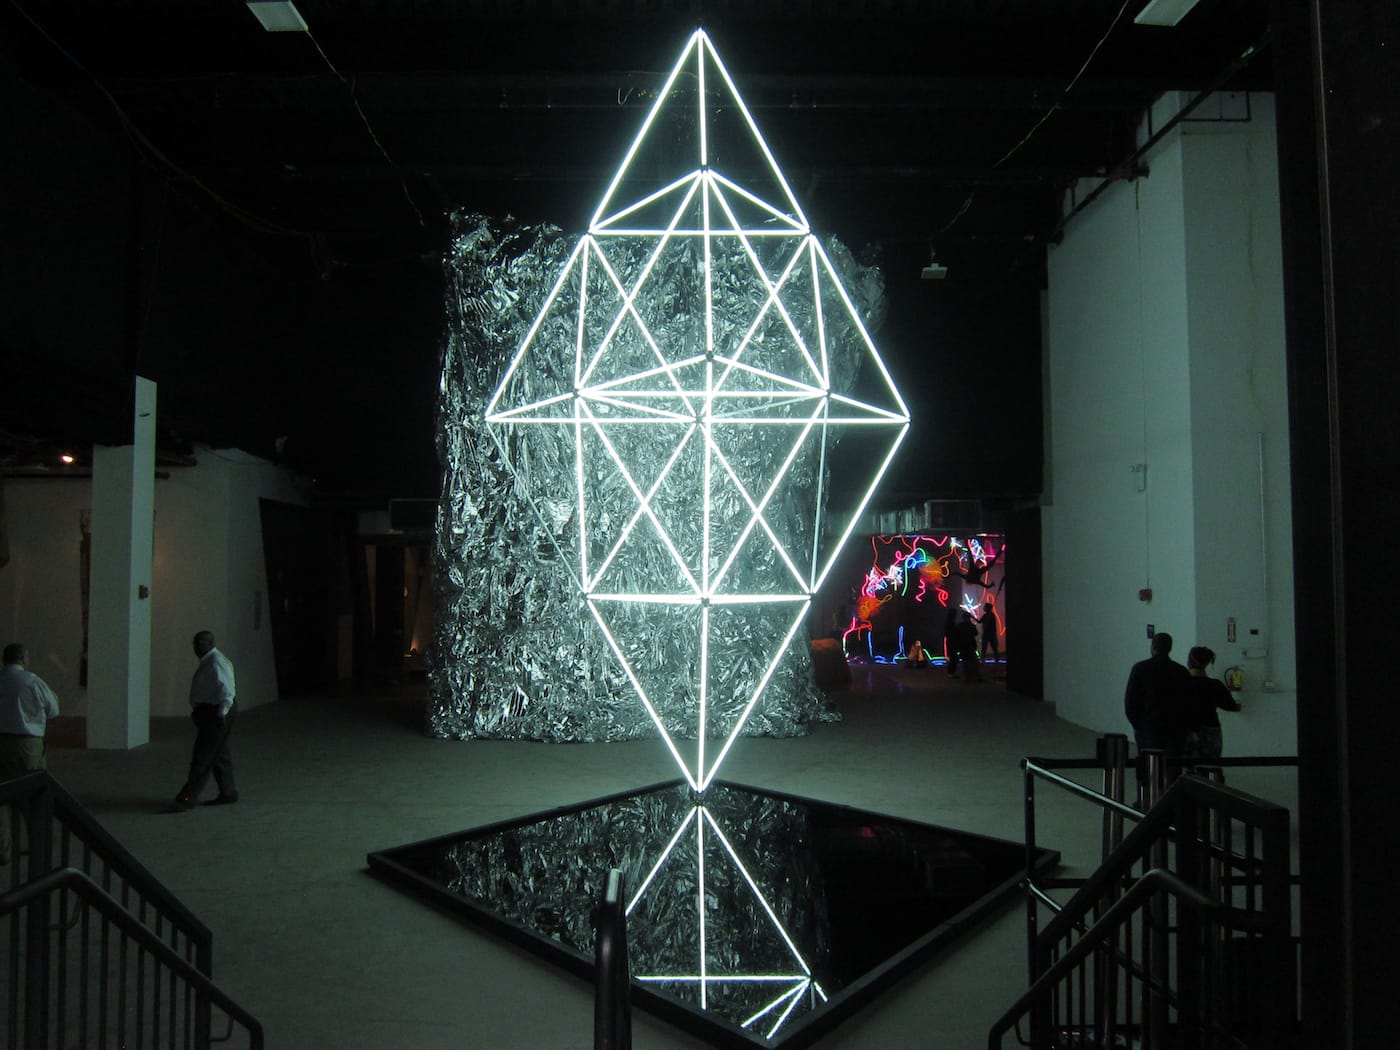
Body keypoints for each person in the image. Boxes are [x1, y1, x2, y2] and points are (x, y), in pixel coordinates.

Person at [0, 643, 60, 864]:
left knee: (1, 798)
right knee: (33, 796)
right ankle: (38, 846)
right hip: (28, 744)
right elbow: (53, 709)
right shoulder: (31, 681)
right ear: (23, 658)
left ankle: (3, 850)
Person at [173, 631, 239, 810]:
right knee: (219, 753)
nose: (197, 647)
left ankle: (187, 798)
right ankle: (228, 792)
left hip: (216, 713)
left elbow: (227, 691)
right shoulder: (210, 661)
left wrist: (222, 713)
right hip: (212, 712)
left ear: (211, 643)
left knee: (203, 756)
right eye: (195, 643)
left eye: (201, 643)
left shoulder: (216, 662)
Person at [1123, 632, 1191, 756]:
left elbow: (1130, 702)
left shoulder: (1140, 668)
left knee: (1149, 764)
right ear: (1170, 648)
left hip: (1149, 727)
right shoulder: (1181, 671)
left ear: (1153, 647)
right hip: (1174, 728)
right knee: (1173, 765)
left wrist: (1139, 726)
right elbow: (1188, 701)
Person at [1182, 646, 1242, 758]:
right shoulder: (1215, 685)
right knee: (1211, 765)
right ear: (1207, 663)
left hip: (1187, 731)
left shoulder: (1181, 683)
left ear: (1189, 660)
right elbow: (1232, 706)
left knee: (1187, 765)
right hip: (1210, 732)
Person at [955, 611, 983, 681]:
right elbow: (975, 633)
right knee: (973, 661)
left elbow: (957, 634)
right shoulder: (971, 625)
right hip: (970, 645)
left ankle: (966, 676)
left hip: (963, 645)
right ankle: (976, 675)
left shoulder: (960, 625)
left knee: (965, 661)